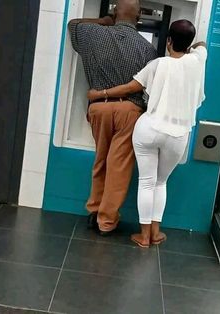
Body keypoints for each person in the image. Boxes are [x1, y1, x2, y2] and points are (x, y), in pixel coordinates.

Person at [87, 20, 207, 247]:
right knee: (161, 183)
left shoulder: (158, 64)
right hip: (177, 134)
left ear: (169, 41)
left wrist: (98, 93)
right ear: (189, 43)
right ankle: (155, 233)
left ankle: (142, 236)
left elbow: (130, 87)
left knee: (146, 183)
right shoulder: (197, 61)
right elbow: (202, 45)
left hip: (148, 129)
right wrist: (192, 47)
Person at [68, 0, 157, 235]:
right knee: (119, 166)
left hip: (98, 108)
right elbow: (149, 87)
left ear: (114, 12)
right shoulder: (147, 49)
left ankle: (94, 211)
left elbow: (72, 24)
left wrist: (102, 21)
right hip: (129, 111)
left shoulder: (91, 33)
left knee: (101, 160)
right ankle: (106, 222)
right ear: (138, 18)